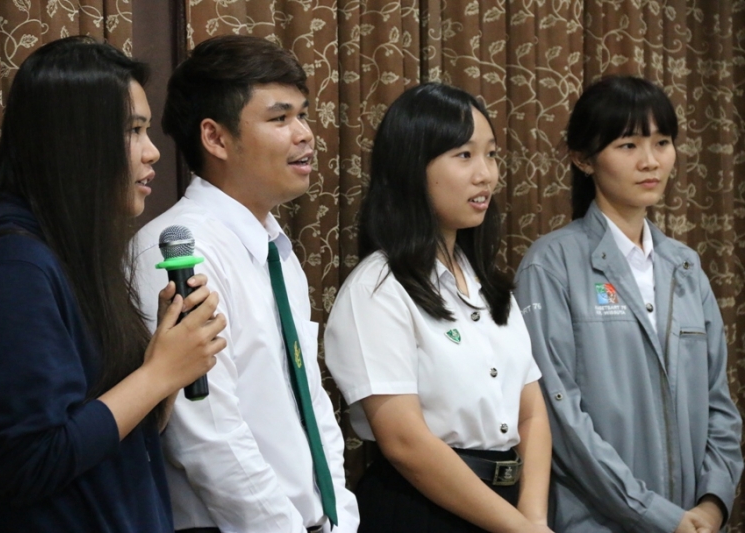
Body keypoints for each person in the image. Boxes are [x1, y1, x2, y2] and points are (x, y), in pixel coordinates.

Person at [0, 37, 227, 532]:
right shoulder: (10, 267)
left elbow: (114, 437)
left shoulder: (70, 251)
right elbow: (32, 462)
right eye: (133, 130)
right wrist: (158, 373)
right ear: (75, 140)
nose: (152, 152)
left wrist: (166, 365)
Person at [132, 35, 359, 533]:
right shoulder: (176, 254)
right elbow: (208, 437)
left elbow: (311, 405)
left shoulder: (278, 251)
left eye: (303, 115)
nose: (305, 135)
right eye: (280, 118)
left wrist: (339, 518)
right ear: (215, 138)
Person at [514, 75, 743, 533]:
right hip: (594, 522)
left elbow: (719, 403)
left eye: (662, 143)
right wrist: (656, 514)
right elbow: (559, 415)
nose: (650, 161)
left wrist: (713, 504)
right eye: (628, 145)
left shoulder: (685, 267)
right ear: (583, 159)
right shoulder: (551, 265)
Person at [323, 83, 553, 533]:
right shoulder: (377, 288)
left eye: (491, 155)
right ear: (412, 167)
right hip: (422, 509)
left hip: (510, 506)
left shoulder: (487, 283)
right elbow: (404, 442)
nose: (486, 175)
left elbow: (532, 413)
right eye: (464, 155)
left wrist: (534, 518)